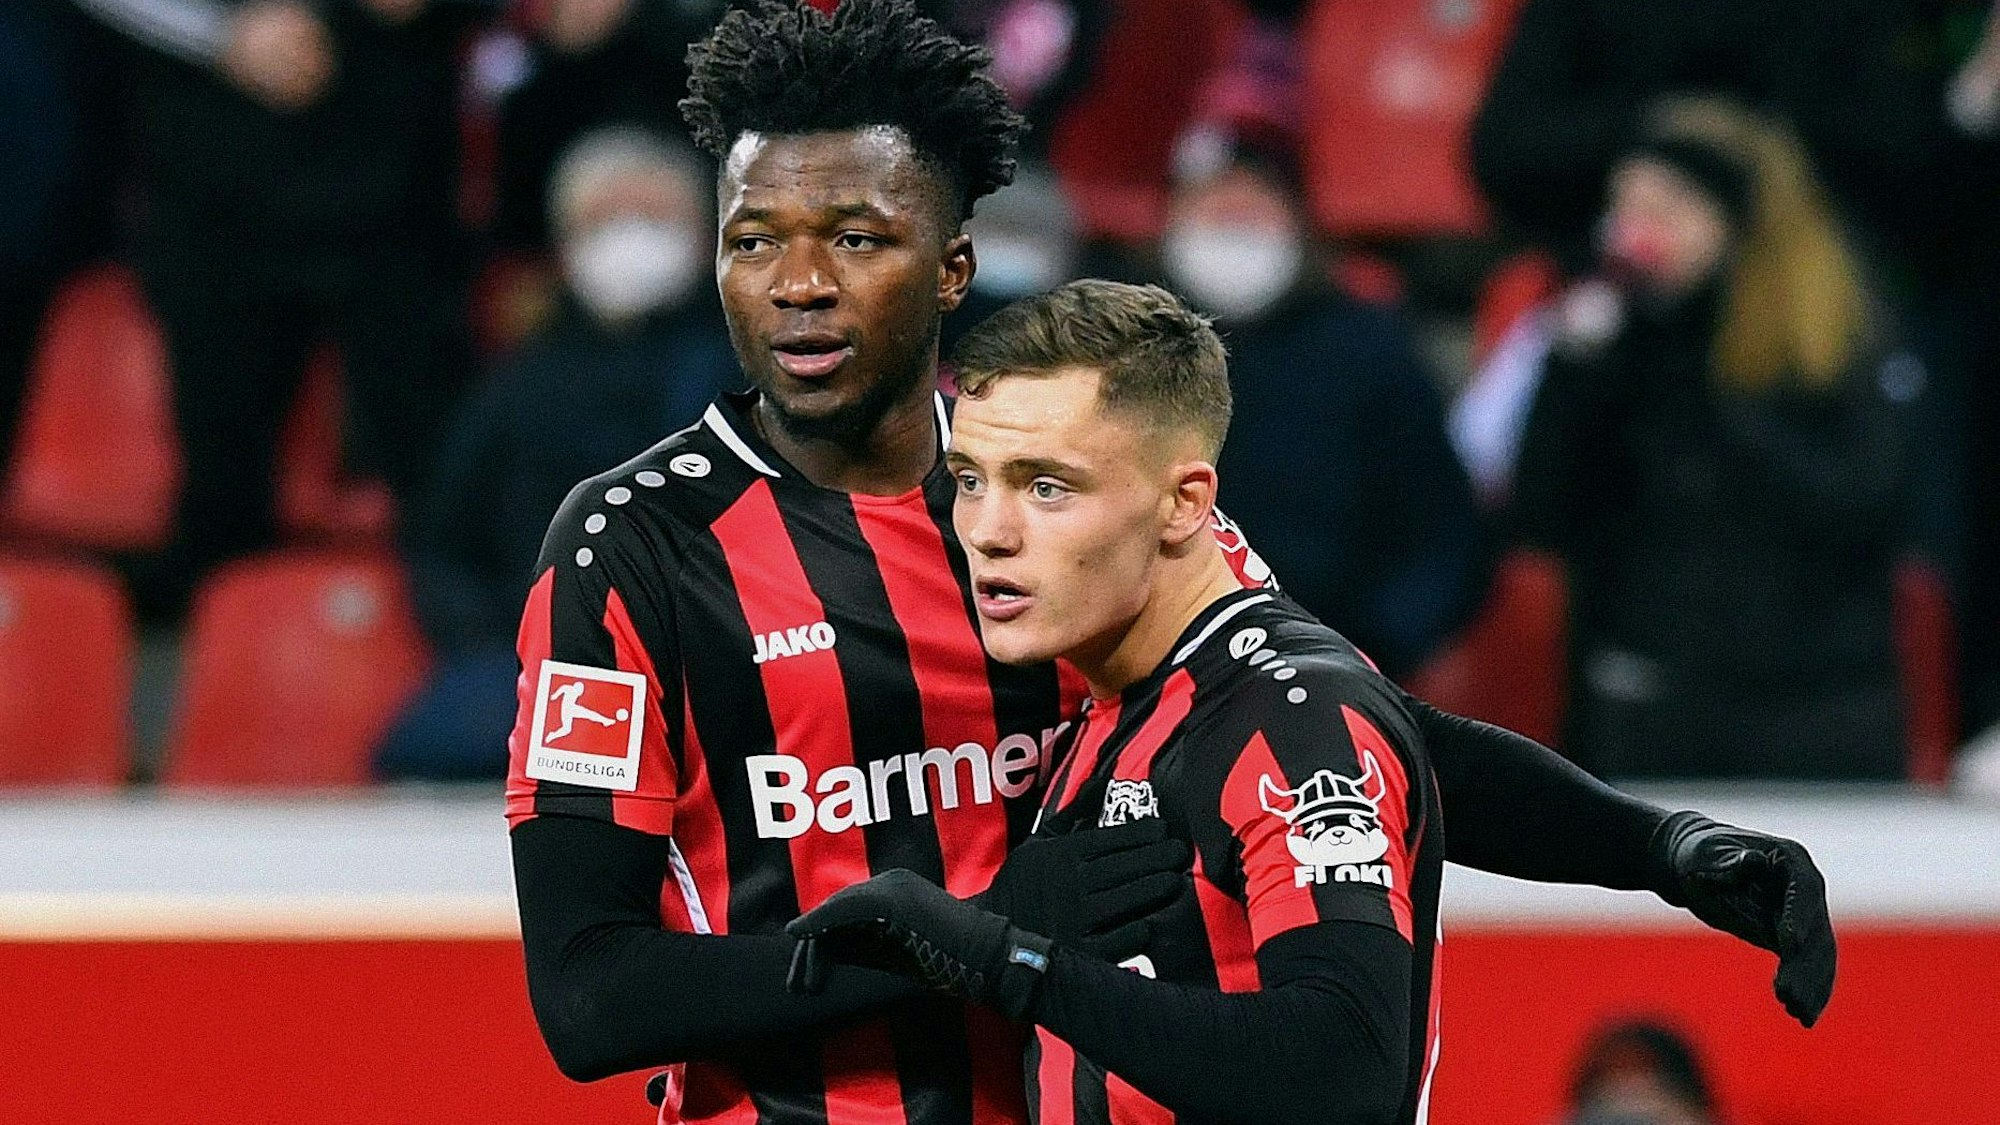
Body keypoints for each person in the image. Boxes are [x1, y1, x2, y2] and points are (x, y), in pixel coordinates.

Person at [506, 2, 1834, 1119]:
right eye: (755, 241)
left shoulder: (1053, 485)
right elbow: (591, 997)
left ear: (955, 259)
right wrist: (987, 933)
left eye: (856, 237)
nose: (800, 282)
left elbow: (1306, 710)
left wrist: (1658, 845)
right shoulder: (633, 550)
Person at [791, 281, 1444, 1124]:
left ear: (1185, 504)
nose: (988, 528)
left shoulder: (1291, 712)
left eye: (1046, 487)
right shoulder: (1112, 698)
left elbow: (1343, 1064)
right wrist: (1658, 843)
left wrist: (1002, 956)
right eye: (970, 479)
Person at [1511, 98, 1919, 779]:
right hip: (1646, 699)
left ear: (1735, 221)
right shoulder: (1613, 342)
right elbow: (1541, 515)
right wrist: (1570, 377)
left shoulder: (1829, 340)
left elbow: (1863, 503)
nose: (1636, 231)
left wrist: (1710, 382)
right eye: (1625, 205)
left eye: (1667, 206)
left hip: (1816, 707)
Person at [72, 0, 496, 620]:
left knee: (428, 446)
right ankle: (235, 675)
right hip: (215, 155)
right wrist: (219, 35)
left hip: (388, 140)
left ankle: (469, 643)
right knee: (222, 464)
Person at [378, 128, 735, 781]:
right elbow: (444, 544)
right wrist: (512, 639)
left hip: (722, 669)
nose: (631, 238)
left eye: (653, 218)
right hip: (541, 669)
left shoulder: (752, 377)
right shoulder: (514, 388)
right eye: (606, 220)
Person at [1160, 135, 1490, 676]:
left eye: (1251, 213)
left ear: (1296, 221)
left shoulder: (1368, 351)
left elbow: (1442, 532)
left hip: (1326, 664)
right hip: (1137, 668)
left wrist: (1370, 656)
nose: (1232, 230)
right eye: (1215, 210)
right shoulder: (1113, 350)